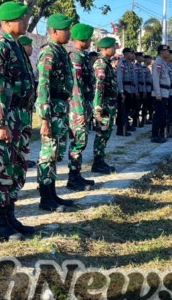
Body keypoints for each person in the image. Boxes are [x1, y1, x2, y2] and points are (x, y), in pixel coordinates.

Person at [0, 1, 35, 242]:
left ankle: (10, 215)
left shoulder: (16, 46)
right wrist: (0, 123)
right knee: (3, 169)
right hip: (8, 117)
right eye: (21, 19)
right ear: (6, 23)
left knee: (18, 168)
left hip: (22, 116)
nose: (25, 22)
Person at [35, 14, 75, 211]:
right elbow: (43, 87)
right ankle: (45, 198)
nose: (69, 33)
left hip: (60, 108)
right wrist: (44, 119)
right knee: (47, 154)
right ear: (54, 31)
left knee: (56, 153)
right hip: (51, 110)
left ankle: (52, 193)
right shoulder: (48, 53)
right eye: (66, 30)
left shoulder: (60, 51)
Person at [66, 23, 96, 191]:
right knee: (77, 143)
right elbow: (76, 86)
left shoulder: (83, 56)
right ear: (82, 39)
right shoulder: (75, 57)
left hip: (84, 105)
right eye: (89, 38)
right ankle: (73, 178)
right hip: (78, 108)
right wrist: (80, 111)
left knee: (81, 143)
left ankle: (77, 175)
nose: (91, 40)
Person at [92, 37, 118, 173]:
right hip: (104, 106)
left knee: (106, 133)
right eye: (113, 46)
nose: (115, 49)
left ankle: (100, 160)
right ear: (106, 48)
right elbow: (98, 86)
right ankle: (97, 162)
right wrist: (98, 106)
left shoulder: (107, 63)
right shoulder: (101, 64)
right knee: (101, 134)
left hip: (110, 105)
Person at [18, 35, 38, 169]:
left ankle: (24, 158)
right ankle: (19, 160)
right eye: (29, 46)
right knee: (19, 134)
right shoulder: (19, 60)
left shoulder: (26, 61)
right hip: (18, 106)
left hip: (27, 106)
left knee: (25, 134)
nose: (31, 48)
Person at [151, 45, 172, 143]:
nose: (168, 53)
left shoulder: (164, 63)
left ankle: (160, 134)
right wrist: (158, 94)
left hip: (165, 93)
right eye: (166, 51)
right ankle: (155, 135)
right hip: (160, 94)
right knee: (158, 115)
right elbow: (155, 79)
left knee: (162, 115)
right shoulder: (158, 63)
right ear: (161, 52)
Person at [115, 47, 135, 136]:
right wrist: (121, 92)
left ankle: (125, 127)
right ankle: (121, 129)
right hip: (124, 90)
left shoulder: (129, 64)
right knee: (122, 111)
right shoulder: (122, 64)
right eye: (131, 53)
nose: (132, 55)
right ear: (126, 54)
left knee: (127, 110)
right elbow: (119, 79)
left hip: (129, 90)